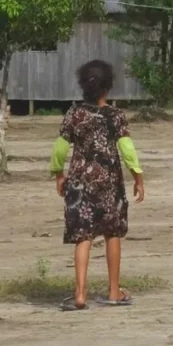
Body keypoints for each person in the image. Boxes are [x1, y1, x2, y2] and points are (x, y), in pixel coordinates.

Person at [50, 60, 144, 312]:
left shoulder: (74, 114)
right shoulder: (115, 116)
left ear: (84, 86)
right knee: (112, 232)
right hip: (110, 183)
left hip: (80, 182)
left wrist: (59, 174)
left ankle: (80, 294)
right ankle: (114, 291)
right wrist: (137, 176)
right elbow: (126, 149)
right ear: (108, 87)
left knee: (83, 235)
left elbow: (60, 148)